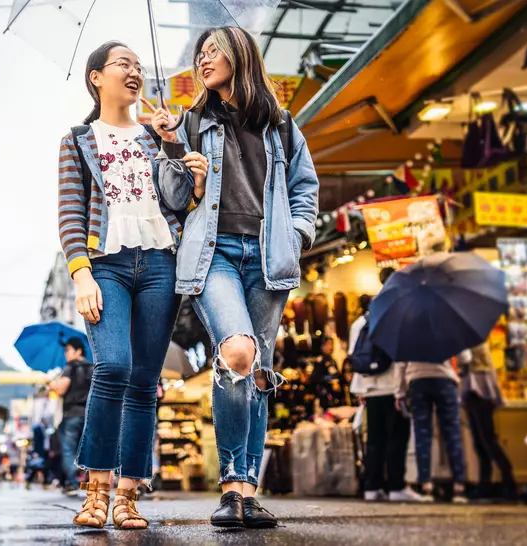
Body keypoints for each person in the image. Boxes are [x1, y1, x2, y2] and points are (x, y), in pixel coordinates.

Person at [149, 26, 319, 529]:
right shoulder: (190, 120)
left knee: (260, 372)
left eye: (212, 52)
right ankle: (229, 484)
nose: (203, 60)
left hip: (270, 258)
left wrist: (300, 235)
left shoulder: (281, 123)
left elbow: (304, 184)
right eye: (199, 54)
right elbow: (174, 200)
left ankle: (248, 490)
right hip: (214, 254)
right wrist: (173, 150)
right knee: (238, 351)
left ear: (239, 56)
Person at [57, 41, 183, 530]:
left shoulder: (157, 135)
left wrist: (173, 145)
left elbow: (182, 202)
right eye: (123, 64)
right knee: (112, 366)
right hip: (105, 264)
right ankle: (96, 489)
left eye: (138, 66)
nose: (134, 72)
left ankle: (129, 494)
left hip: (160, 262)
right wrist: (80, 271)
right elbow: (69, 211)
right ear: (96, 77)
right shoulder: (78, 139)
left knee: (145, 382)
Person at [349, 295, 424, 503]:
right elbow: (401, 360)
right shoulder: (395, 322)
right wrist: (402, 392)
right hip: (392, 389)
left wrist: (360, 390)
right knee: (397, 438)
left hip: (369, 389)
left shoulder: (359, 323)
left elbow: (354, 357)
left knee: (374, 439)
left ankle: (372, 487)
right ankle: (396, 486)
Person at [396, 350, 471, 504]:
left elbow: (400, 364)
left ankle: (426, 485)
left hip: (417, 381)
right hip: (444, 380)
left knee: (422, 434)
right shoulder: (448, 326)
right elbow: (466, 356)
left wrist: (399, 393)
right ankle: (459, 486)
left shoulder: (407, 328)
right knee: (452, 432)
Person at [460, 343, 517, 501]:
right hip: (476, 392)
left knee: (487, 440)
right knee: (480, 441)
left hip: (479, 392)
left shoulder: (471, 340)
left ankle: (508, 481)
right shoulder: (475, 338)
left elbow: (464, 359)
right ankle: (485, 483)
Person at [48, 337, 93, 494]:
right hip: (90, 414)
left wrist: (51, 383)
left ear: (78, 350)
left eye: (68, 350)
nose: (66, 353)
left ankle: (73, 483)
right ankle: (92, 482)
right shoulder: (93, 367)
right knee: (88, 449)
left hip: (72, 413)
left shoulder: (70, 367)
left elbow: (61, 389)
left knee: (68, 450)